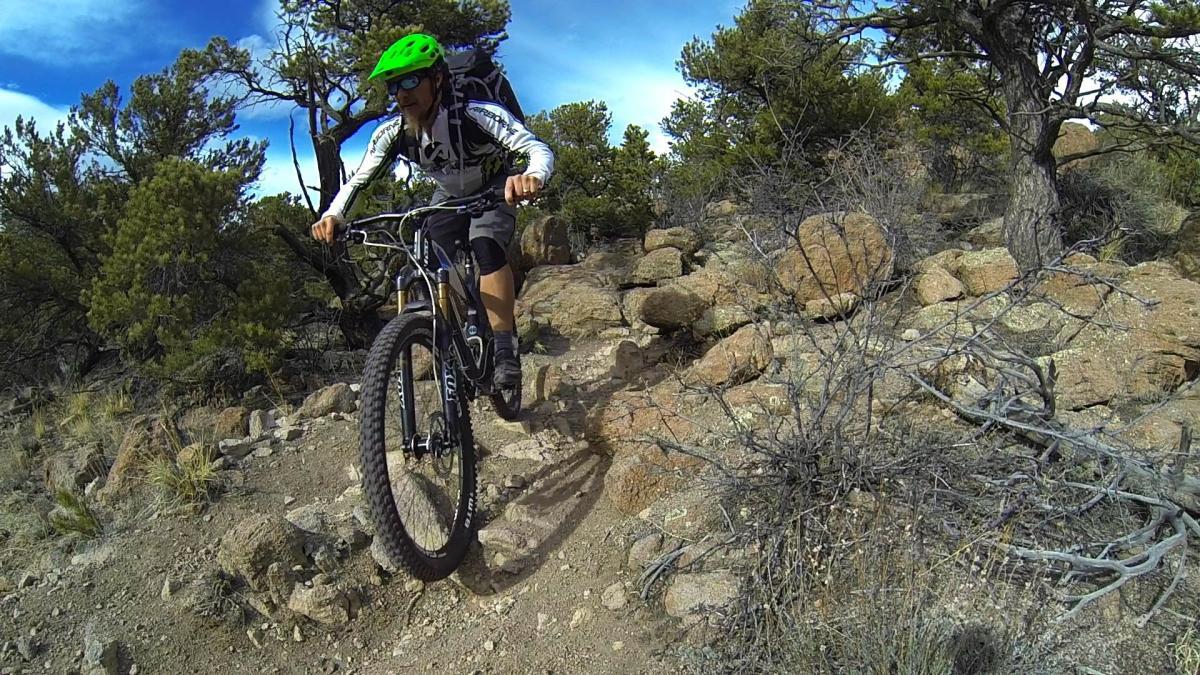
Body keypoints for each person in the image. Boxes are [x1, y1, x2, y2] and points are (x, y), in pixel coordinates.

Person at [311, 33, 553, 388]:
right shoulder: (393, 133)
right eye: (394, 85)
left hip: (492, 184)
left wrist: (531, 176)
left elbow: (536, 148)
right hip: (447, 194)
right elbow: (359, 181)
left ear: (437, 78)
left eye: (411, 80)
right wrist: (334, 215)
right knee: (428, 257)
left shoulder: (475, 114)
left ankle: (504, 347)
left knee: (485, 243)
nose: (401, 94)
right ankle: (455, 334)